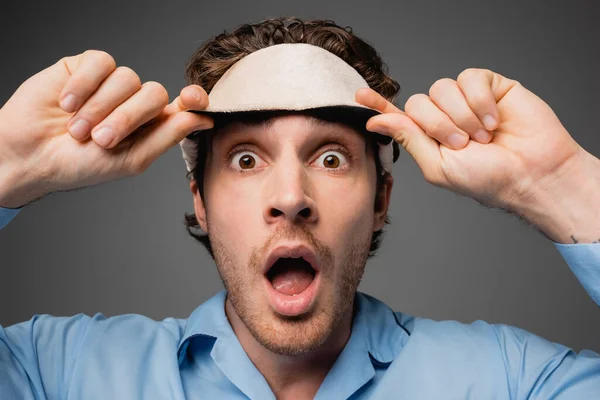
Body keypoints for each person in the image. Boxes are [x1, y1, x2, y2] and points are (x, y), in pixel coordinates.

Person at [0, 16, 599, 399]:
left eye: (331, 158)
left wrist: (559, 182)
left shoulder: (512, 382)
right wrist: (8, 166)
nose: (291, 198)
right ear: (199, 201)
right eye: (245, 160)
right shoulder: (55, 374)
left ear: (380, 200)